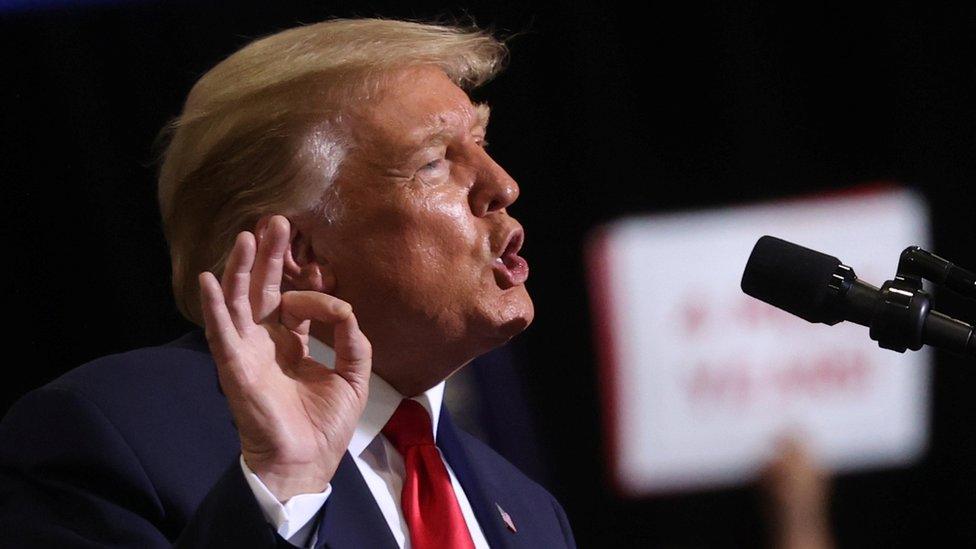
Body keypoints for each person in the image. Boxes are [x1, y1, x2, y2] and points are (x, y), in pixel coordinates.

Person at [0, 18, 576, 548]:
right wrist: (285, 486)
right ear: (297, 252)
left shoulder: (533, 512)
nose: (503, 186)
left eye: (481, 144)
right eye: (432, 163)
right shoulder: (112, 433)